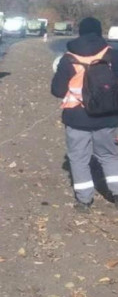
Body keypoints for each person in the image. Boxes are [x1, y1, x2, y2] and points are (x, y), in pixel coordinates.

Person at [51, 17, 118, 212]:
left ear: (80, 32)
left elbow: (57, 91)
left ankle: (84, 201)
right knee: (109, 156)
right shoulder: (113, 55)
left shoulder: (68, 58)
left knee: (79, 158)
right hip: (108, 116)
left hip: (76, 118)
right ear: (99, 32)